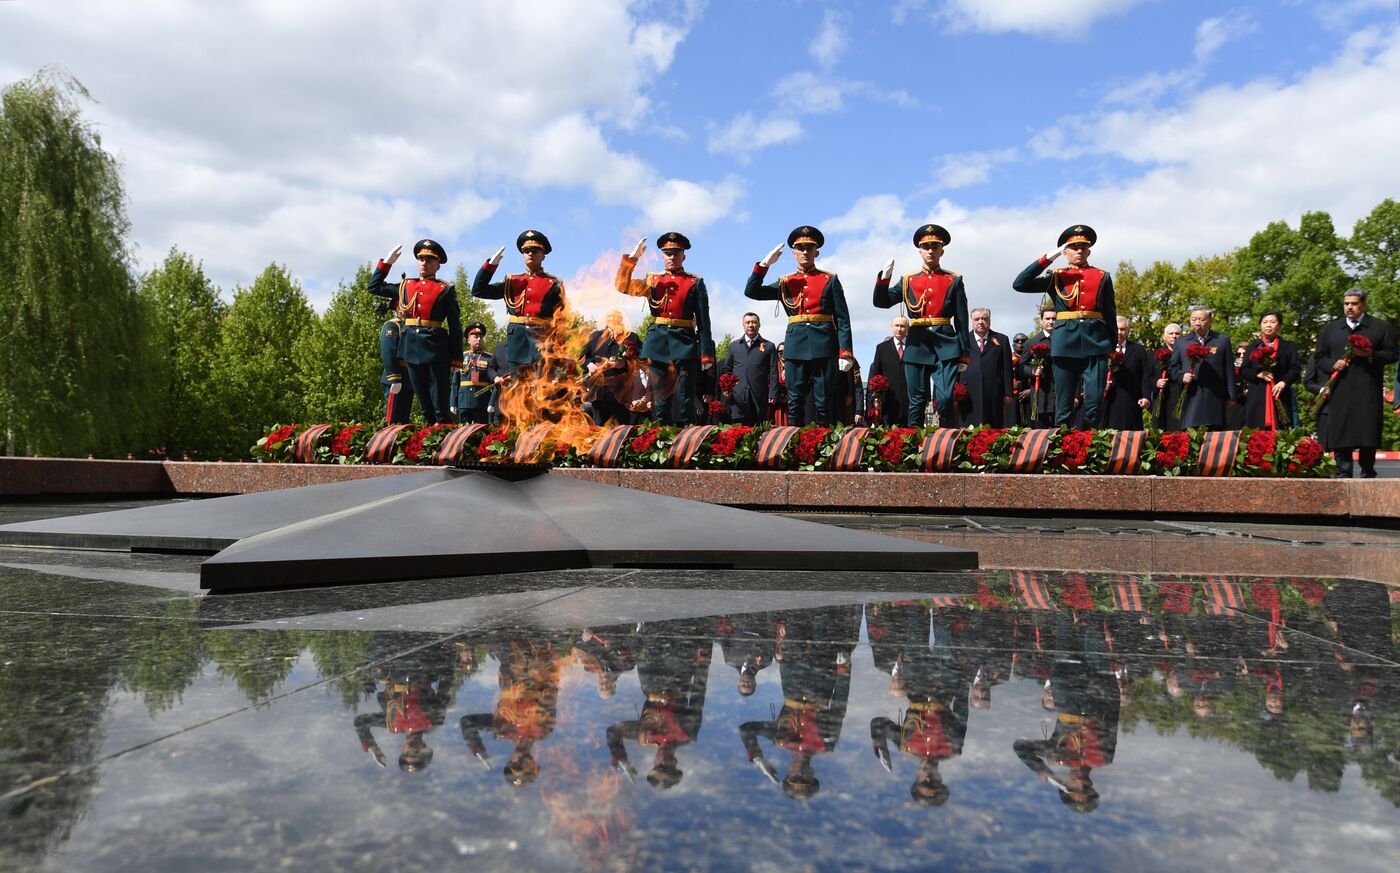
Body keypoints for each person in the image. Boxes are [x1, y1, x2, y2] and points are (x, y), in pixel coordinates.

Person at [745, 226, 855, 425]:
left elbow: (842, 318)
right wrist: (764, 265)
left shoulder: (829, 280)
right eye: (800, 248)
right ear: (793, 252)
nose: (805, 252)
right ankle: (794, 441)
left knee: (824, 400)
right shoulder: (786, 282)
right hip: (795, 345)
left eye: (809, 248)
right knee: (795, 399)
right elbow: (752, 291)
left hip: (824, 344)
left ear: (817, 252)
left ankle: (823, 442)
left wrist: (845, 351)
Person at [1012, 225, 1117, 427]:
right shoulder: (1057, 275)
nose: (1079, 251)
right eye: (1074, 247)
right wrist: (1048, 258)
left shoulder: (1102, 276)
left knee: (1095, 400)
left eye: (1083, 247)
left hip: (1096, 342)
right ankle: (1063, 443)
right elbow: (1020, 284)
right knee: (1064, 402)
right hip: (1065, 343)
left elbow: (1110, 314)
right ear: (1065, 251)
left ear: (1089, 251)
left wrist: (1110, 346)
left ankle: (1090, 441)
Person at [872, 224, 969, 427]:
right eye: (926, 247)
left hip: (945, 343)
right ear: (920, 251)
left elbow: (961, 319)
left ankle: (947, 440)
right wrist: (884, 279)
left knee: (944, 399)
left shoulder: (954, 280)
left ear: (942, 250)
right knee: (916, 400)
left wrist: (964, 352)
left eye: (935, 246)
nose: (931, 251)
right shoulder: (908, 280)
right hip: (917, 343)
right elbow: (882, 302)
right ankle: (914, 444)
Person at [615, 232, 716, 425]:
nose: (672, 257)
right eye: (668, 253)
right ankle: (661, 443)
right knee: (660, 400)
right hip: (658, 343)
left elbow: (704, 321)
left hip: (685, 343)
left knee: (685, 398)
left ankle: (687, 443)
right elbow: (622, 285)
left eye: (676, 253)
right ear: (662, 256)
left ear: (683, 256)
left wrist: (706, 354)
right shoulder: (653, 280)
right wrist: (633, 259)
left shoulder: (695, 282)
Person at [369, 239, 464, 424]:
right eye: (421, 259)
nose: (424, 263)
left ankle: (444, 439)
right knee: (424, 406)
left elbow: (455, 326)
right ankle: (427, 443)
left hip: (436, 348)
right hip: (411, 348)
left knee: (440, 406)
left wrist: (457, 357)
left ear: (438, 265)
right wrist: (386, 263)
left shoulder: (445, 289)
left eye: (429, 260)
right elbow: (375, 287)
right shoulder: (406, 286)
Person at [1308, 288, 1398, 478]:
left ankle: (1367, 471)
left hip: (1368, 389)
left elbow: (1392, 354)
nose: (1349, 307)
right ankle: (1343, 472)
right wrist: (1333, 364)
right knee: (1341, 431)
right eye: (1346, 303)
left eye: (1354, 303)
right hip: (1339, 389)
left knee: (1368, 431)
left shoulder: (1380, 327)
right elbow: (1319, 358)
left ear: (1363, 304)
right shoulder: (1330, 329)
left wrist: (1371, 355)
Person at [472, 230, 567, 372]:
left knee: (542, 391)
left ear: (543, 256)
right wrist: (491, 265)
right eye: (526, 250)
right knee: (517, 391)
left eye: (535, 250)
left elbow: (561, 319)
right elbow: (478, 290)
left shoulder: (554, 283)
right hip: (517, 344)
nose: (530, 253)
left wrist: (561, 351)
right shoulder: (512, 281)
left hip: (542, 342)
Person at [1170, 306, 1235, 430]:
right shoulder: (1182, 342)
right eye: (1193, 319)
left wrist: (1231, 395)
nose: (1197, 323)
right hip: (1191, 395)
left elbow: (1229, 370)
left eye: (1201, 319)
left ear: (1210, 321)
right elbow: (1173, 368)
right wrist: (1181, 376)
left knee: (1214, 433)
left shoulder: (1222, 340)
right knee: (1192, 431)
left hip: (1215, 396)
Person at [580, 316, 643, 425]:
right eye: (610, 317)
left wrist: (625, 365)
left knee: (624, 430)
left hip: (623, 394)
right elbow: (583, 359)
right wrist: (589, 365)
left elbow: (643, 361)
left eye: (616, 317)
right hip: (599, 393)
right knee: (599, 429)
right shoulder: (594, 337)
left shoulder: (631, 338)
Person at [721, 313, 779, 425]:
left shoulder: (769, 346)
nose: (751, 325)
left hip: (759, 396)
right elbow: (727, 370)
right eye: (748, 322)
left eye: (754, 322)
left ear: (759, 325)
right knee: (738, 430)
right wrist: (726, 389)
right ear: (743, 325)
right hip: (738, 397)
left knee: (759, 431)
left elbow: (773, 372)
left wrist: (773, 393)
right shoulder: (734, 346)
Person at [960, 307, 1013, 427]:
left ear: (990, 320)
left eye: (984, 318)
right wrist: (957, 389)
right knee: (969, 427)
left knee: (993, 426)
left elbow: (1007, 368)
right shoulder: (963, 341)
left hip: (994, 391)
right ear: (972, 321)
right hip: (968, 392)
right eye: (977, 319)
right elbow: (959, 366)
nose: (980, 322)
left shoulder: (1002, 340)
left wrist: (1008, 392)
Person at [1102, 316, 1152, 431]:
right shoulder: (1103, 349)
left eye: (1123, 329)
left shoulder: (1138, 350)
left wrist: (1146, 397)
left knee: (1131, 436)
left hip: (1131, 400)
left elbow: (1145, 375)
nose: (1119, 332)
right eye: (1117, 329)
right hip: (1108, 399)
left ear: (1128, 331)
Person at [377, 302, 415, 424]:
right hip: (396, 377)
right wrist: (395, 378)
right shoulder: (393, 326)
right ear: (398, 307)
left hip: (409, 378)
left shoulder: (411, 326)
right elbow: (388, 352)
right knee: (391, 420)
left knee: (403, 420)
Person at [1018, 309, 1058, 427]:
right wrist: (1032, 371)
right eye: (1047, 318)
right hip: (1040, 395)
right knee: (1040, 434)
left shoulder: (1063, 340)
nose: (1051, 322)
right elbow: (1021, 368)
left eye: (1054, 319)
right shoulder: (1032, 342)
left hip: (1059, 394)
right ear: (1041, 321)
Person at [868, 316, 911, 425]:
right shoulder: (881, 348)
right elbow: (875, 376)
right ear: (892, 327)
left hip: (910, 401)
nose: (899, 329)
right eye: (896, 325)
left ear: (907, 328)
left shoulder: (915, 347)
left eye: (902, 326)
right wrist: (874, 400)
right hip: (888, 402)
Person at [451, 322, 493, 424]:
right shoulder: (461, 357)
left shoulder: (489, 358)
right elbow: (455, 382)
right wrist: (453, 402)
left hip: (482, 402)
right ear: (469, 340)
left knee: (482, 432)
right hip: (463, 401)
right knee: (464, 432)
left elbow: (493, 384)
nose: (479, 339)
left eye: (481, 337)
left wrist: (492, 403)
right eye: (476, 337)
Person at [1152, 323, 1183, 431]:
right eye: (1171, 333)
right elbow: (1147, 376)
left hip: (1179, 397)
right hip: (1161, 398)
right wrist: (1156, 383)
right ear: (1164, 337)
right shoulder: (1154, 355)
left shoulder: (1185, 355)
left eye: (1177, 333)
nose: (1174, 336)